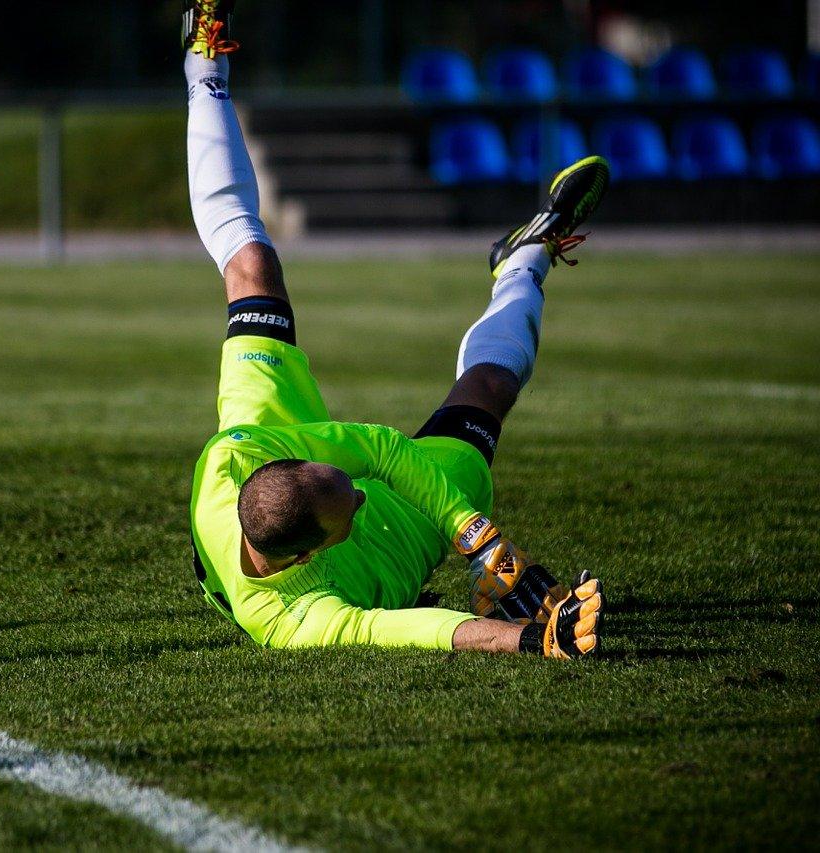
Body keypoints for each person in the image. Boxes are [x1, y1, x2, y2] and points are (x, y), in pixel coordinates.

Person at [184, 0, 607, 658]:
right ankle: (525, 259)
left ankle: (202, 69)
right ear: (320, 547)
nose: (361, 488)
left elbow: (379, 451)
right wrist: (530, 637)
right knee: (488, 388)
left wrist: (484, 545)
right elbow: (411, 628)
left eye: (339, 477)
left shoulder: (230, 462)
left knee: (253, 267)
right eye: (348, 499)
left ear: (291, 462)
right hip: (389, 544)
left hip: (266, 431)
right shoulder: (291, 619)